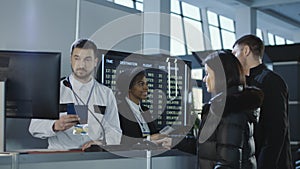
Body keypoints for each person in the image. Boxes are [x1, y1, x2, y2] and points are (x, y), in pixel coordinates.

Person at [29, 39, 122, 150]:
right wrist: (55, 125)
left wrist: (101, 142)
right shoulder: (53, 91)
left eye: (87, 59)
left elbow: (115, 130)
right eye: (77, 58)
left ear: (95, 62)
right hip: (60, 156)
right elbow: (34, 127)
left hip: (93, 156)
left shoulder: (106, 94)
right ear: (71, 59)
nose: (81, 65)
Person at [232, 34, 293, 169]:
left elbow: (276, 131)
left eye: (235, 53)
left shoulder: (271, 81)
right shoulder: (244, 83)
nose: (233, 59)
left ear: (246, 51)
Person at [197, 50, 264, 169]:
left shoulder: (230, 110)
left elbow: (228, 163)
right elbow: (212, 147)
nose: (204, 79)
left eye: (207, 74)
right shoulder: (229, 105)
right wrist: (172, 141)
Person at [115, 67, 171, 148]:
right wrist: (149, 139)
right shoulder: (119, 110)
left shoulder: (145, 110)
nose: (146, 88)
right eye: (141, 84)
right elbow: (121, 140)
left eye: (146, 84)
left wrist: (161, 139)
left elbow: (154, 134)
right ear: (129, 87)